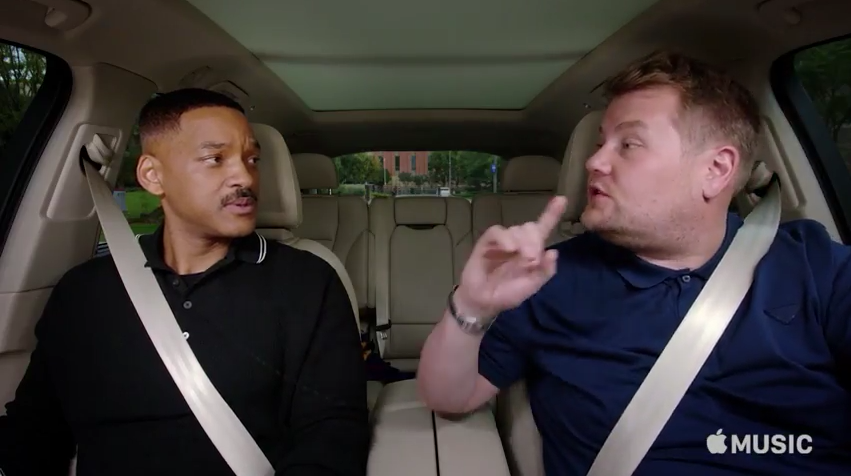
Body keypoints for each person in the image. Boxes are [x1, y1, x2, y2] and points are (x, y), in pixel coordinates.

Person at [417, 51, 851, 475]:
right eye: (600, 143)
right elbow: (449, 397)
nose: (594, 162)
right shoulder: (549, 276)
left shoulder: (813, 263)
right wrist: (471, 306)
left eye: (628, 144)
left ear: (716, 169)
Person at [0, 89, 370, 476]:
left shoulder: (307, 283)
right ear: (152, 175)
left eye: (252, 159)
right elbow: (33, 433)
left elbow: (331, 436)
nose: (245, 176)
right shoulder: (83, 294)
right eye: (215, 159)